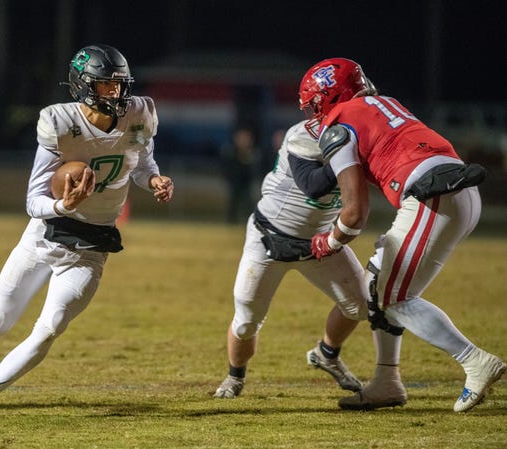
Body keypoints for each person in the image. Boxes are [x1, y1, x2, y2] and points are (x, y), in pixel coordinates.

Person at [0, 44, 174, 420]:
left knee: (49, 327)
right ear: (84, 85)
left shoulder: (139, 114)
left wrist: (153, 178)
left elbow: (140, 160)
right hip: (44, 234)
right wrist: (63, 206)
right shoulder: (60, 123)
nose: (116, 93)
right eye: (106, 85)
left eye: (120, 85)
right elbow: (33, 200)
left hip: (91, 246)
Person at [293, 57, 505, 412]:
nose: (314, 114)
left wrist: (328, 241)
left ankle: (475, 361)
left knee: (393, 297)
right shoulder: (385, 103)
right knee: (380, 283)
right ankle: (387, 383)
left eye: (315, 104)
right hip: (458, 189)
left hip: (432, 196)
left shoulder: (339, 126)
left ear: (329, 96)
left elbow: (355, 213)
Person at [213, 119, 401, 399]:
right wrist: (350, 158)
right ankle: (234, 376)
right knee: (246, 321)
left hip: (321, 241)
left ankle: (326, 354)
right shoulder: (306, 132)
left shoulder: (362, 134)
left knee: (361, 306)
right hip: (270, 238)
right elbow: (313, 185)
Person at [220, 126, 260, 223]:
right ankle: (232, 222)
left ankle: (251, 222)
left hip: (246, 182)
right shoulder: (230, 151)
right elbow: (226, 167)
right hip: (235, 182)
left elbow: (254, 169)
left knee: (249, 204)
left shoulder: (252, 152)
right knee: (234, 203)